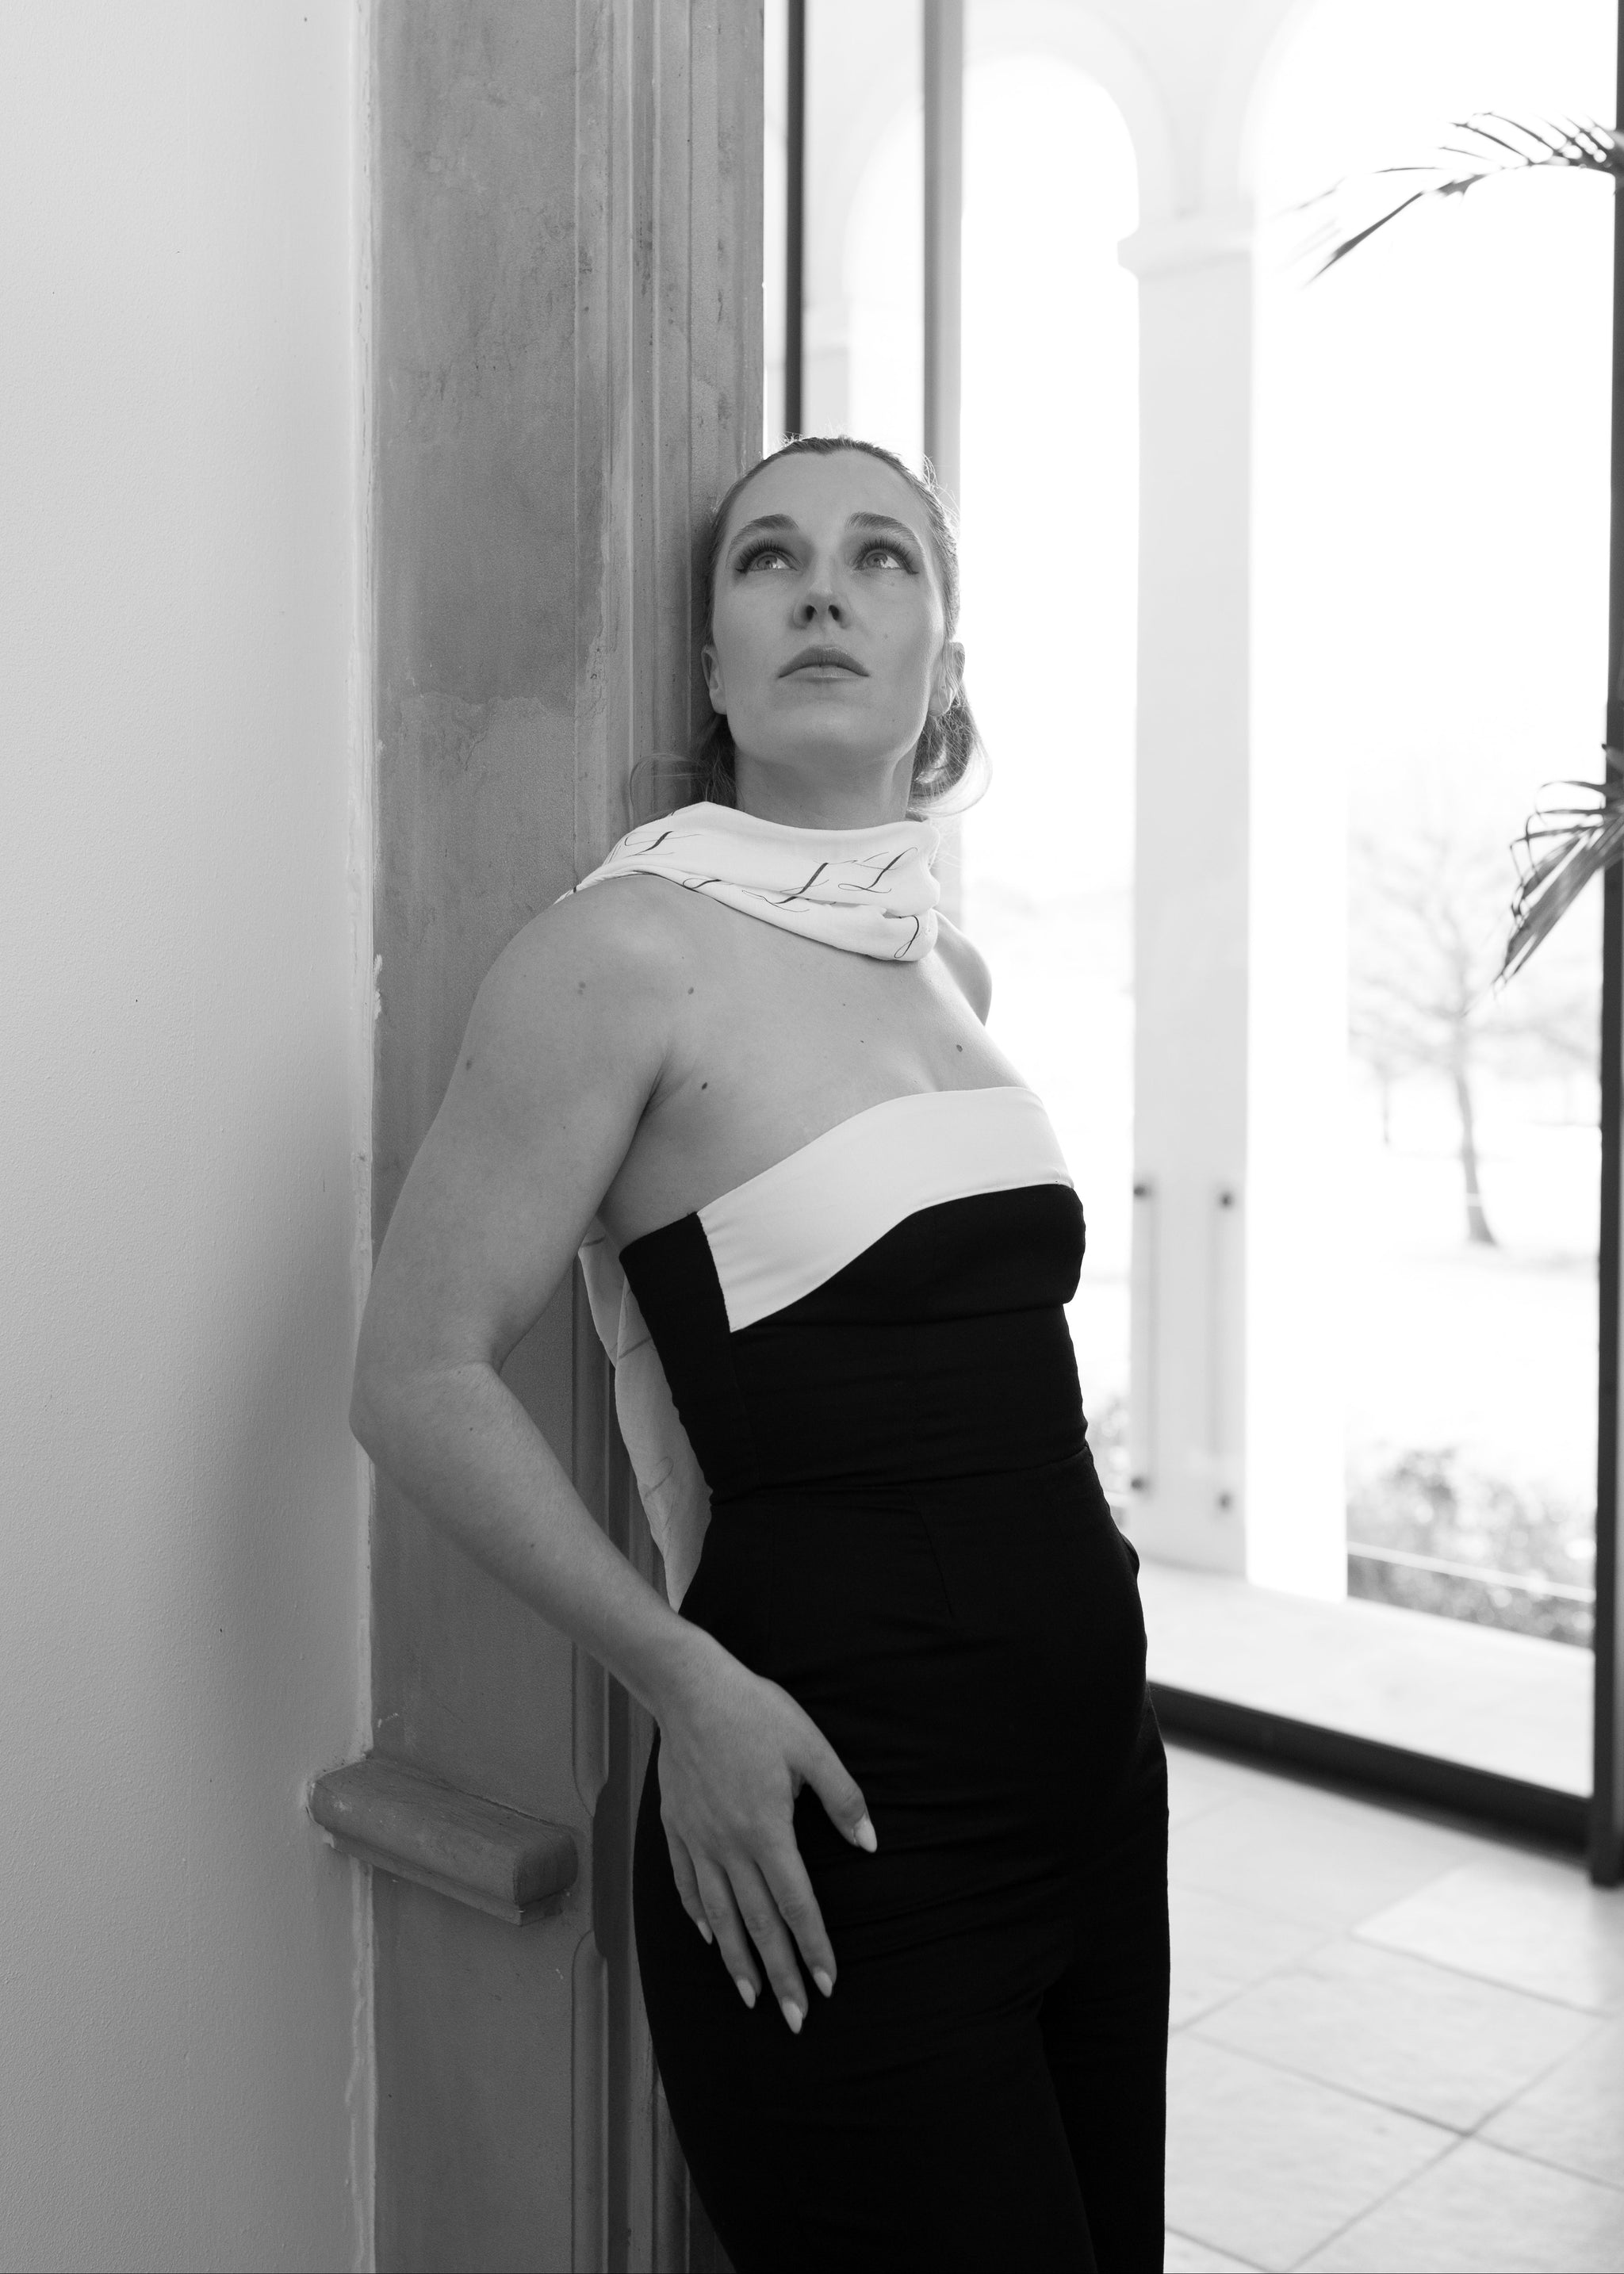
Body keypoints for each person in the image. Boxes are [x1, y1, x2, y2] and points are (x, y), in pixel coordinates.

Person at [350, 435, 1169, 2272]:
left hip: (1094, 1783)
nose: (820, 589)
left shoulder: (947, 975)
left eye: (881, 559)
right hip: (830, 1815)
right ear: (712, 662)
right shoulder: (621, 954)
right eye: (768, 561)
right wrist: (683, 1687)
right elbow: (410, 1373)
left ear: (939, 671)